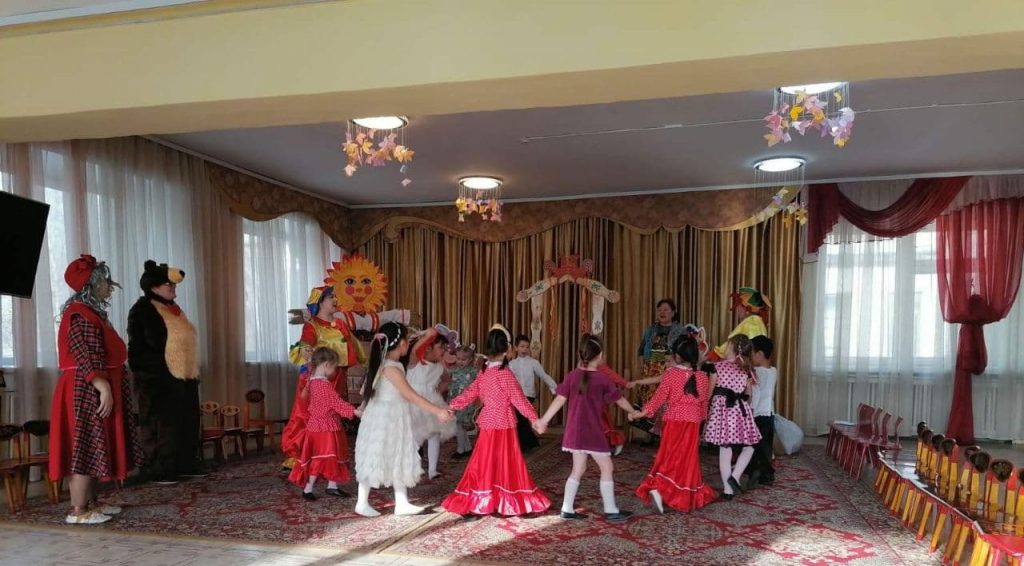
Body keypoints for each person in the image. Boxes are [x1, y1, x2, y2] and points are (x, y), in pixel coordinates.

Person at [50, 255, 144, 524]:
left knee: (95, 443)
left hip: (93, 383)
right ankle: (78, 511)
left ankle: (91, 503)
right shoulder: (79, 314)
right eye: (103, 282)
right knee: (84, 444)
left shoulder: (89, 312)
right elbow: (85, 354)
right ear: (90, 285)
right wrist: (102, 385)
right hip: (85, 387)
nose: (109, 286)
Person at [442, 325, 552, 518]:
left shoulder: (484, 372)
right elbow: (519, 400)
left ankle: (484, 497)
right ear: (507, 349)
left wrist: (453, 406)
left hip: (488, 424)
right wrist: (534, 419)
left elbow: (470, 392)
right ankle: (504, 497)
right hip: (504, 425)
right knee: (506, 462)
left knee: (484, 461)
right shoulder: (505, 374)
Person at [353, 322, 452, 517]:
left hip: (389, 417)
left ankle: (401, 502)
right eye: (407, 339)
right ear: (401, 344)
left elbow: (367, 390)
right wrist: (438, 411)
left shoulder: (386, 364)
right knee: (376, 456)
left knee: (397, 454)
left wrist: (364, 407)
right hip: (386, 420)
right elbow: (410, 395)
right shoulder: (391, 368)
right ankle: (362, 503)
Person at [535, 334, 639, 522]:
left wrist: (544, 420)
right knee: (607, 467)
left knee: (578, 468)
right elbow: (619, 399)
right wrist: (632, 411)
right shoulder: (602, 378)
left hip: (574, 433)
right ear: (600, 355)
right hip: (592, 432)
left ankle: (567, 508)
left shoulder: (572, 375)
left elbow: (559, 399)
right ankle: (610, 509)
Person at [127, 260, 202, 484]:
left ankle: (185, 464)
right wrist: (151, 377)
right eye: (168, 284)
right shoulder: (143, 309)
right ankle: (159, 468)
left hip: (185, 377)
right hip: (159, 379)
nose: (173, 288)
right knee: (162, 426)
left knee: (187, 422)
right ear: (153, 287)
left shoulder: (174, 309)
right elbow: (138, 348)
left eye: (173, 284)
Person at [281, 285, 363, 470]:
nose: (335, 300)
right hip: (315, 377)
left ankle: (328, 454)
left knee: (331, 415)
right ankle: (299, 455)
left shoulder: (341, 324)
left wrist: (369, 360)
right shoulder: (312, 325)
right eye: (330, 297)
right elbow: (306, 343)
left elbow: (355, 346)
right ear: (319, 302)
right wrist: (305, 350)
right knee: (307, 414)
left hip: (337, 376)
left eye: (335, 296)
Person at [632, 335, 717, 513]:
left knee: (669, 455)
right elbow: (704, 402)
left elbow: (658, 398)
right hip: (692, 422)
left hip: (673, 421)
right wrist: (703, 420)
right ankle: (671, 492)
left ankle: (660, 488)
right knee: (687, 459)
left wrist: (642, 412)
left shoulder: (671, 374)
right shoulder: (702, 376)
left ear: (677, 356)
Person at [288, 347, 361, 501]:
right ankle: (308, 489)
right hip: (324, 429)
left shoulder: (313, 379)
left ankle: (332, 486)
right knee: (322, 457)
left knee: (330, 456)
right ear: (327, 364)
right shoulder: (322, 384)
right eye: (334, 367)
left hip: (324, 426)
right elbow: (335, 402)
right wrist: (355, 412)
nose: (335, 371)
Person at [703, 334, 762, 499]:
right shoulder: (747, 370)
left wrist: (704, 410)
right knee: (750, 446)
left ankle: (728, 489)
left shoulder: (717, 367)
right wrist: (741, 402)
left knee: (725, 448)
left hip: (722, 411)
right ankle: (734, 477)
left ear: (732, 348)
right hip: (740, 410)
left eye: (728, 345)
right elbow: (748, 395)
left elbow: (709, 393)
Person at [407, 327, 457, 480]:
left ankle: (432, 470)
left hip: (432, 402)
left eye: (445, 347)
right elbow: (414, 350)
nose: (444, 351)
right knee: (414, 436)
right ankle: (412, 467)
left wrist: (436, 392)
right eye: (441, 347)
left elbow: (447, 380)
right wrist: (428, 336)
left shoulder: (439, 367)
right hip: (413, 401)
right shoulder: (415, 362)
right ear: (428, 347)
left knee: (434, 434)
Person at [508, 334, 558, 452]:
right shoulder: (512, 364)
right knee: (520, 419)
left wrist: (554, 387)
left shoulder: (533, 363)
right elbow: (508, 381)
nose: (525, 349)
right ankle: (527, 443)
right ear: (516, 348)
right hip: (516, 396)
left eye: (527, 347)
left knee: (522, 418)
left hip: (529, 395)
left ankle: (528, 443)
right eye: (522, 346)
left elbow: (543, 375)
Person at [708, 287, 770, 362]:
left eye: (739, 305)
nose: (737, 309)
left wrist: (716, 354)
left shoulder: (751, 322)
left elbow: (736, 344)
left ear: (747, 309)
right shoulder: (758, 322)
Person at [747, 335, 777, 489]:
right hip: (769, 413)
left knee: (754, 445)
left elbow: (756, 394)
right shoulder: (773, 371)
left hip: (757, 414)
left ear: (759, 354)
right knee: (766, 446)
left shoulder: (756, 372)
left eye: (751, 353)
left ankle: (756, 471)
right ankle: (766, 475)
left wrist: (750, 410)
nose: (750, 357)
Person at [448, 345, 478, 459]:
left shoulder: (473, 372)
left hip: (466, 404)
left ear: (470, 359)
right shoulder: (454, 370)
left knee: (459, 426)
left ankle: (460, 450)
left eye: (463, 359)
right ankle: (467, 448)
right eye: (458, 358)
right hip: (454, 401)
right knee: (459, 426)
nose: (460, 361)